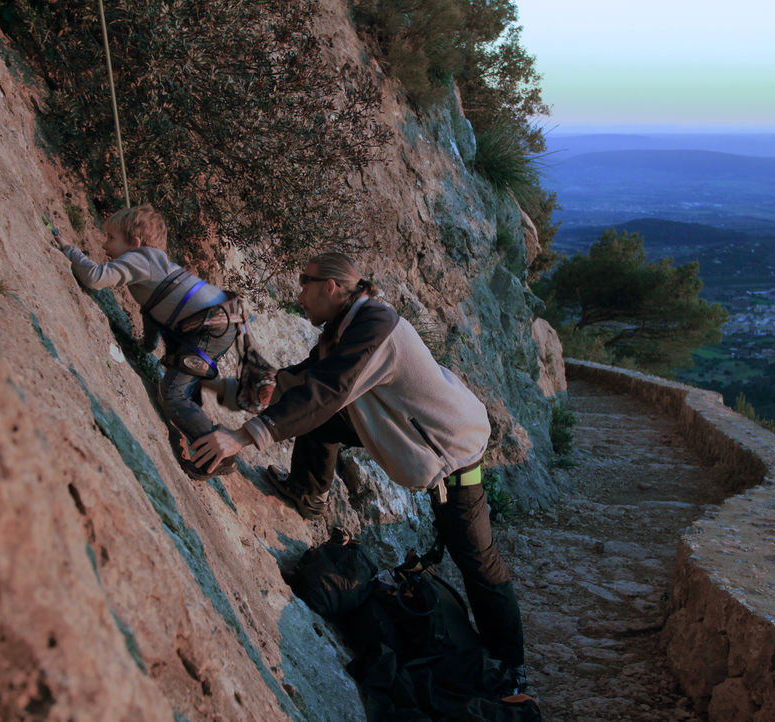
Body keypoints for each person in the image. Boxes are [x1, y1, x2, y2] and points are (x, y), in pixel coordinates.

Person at [189, 251, 527, 692]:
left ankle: (510, 664)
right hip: (418, 431)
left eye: (305, 282)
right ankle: (309, 492)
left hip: (451, 451)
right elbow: (312, 376)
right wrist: (267, 384)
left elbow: (326, 391)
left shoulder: (374, 327)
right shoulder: (347, 325)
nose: (299, 293)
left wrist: (243, 436)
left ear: (331, 286)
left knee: (478, 561)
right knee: (321, 419)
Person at [55, 203, 239, 477]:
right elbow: (153, 312)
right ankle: (204, 430)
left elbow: (95, 279)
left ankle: (217, 454)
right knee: (177, 382)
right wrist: (146, 346)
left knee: (172, 394)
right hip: (216, 322)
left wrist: (70, 250)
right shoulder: (155, 265)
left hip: (208, 327)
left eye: (111, 238)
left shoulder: (140, 258)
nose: (105, 245)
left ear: (136, 243)